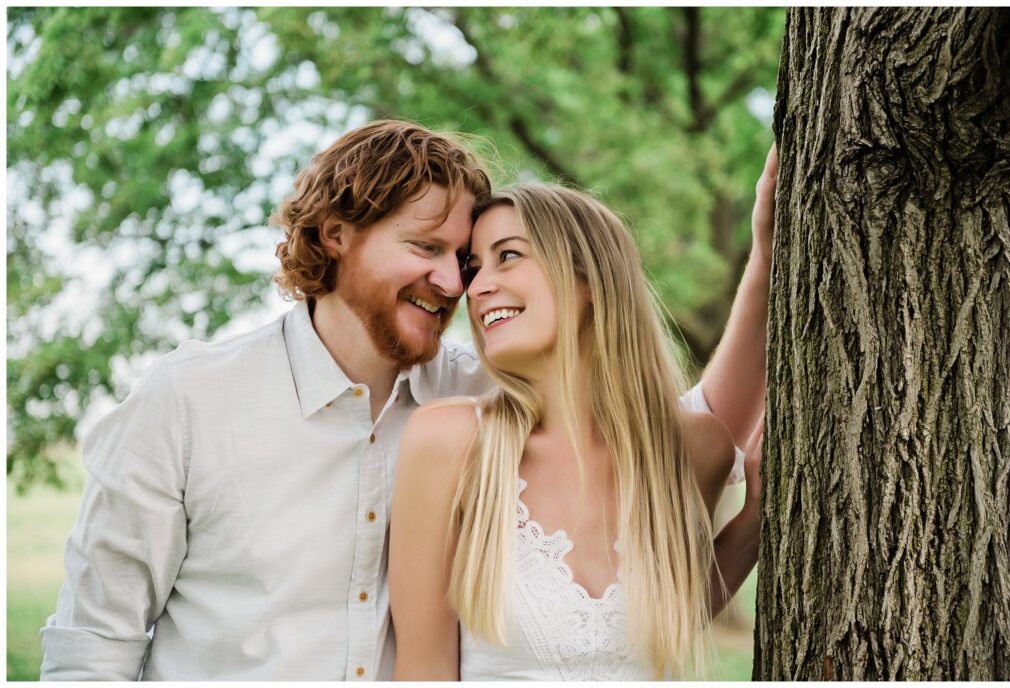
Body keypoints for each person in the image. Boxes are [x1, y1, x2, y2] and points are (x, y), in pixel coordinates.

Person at [40, 113, 774, 679]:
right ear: (335, 236)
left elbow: (673, 434)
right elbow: (91, 646)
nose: (457, 285)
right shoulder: (191, 402)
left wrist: (768, 256)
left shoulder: (480, 392)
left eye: (466, 260)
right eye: (427, 250)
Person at [388, 168, 775, 680]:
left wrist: (754, 518)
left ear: (589, 279)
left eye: (508, 255)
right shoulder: (451, 443)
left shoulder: (691, 448)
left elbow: (670, 617)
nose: (476, 287)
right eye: (474, 267)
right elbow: (422, 672)